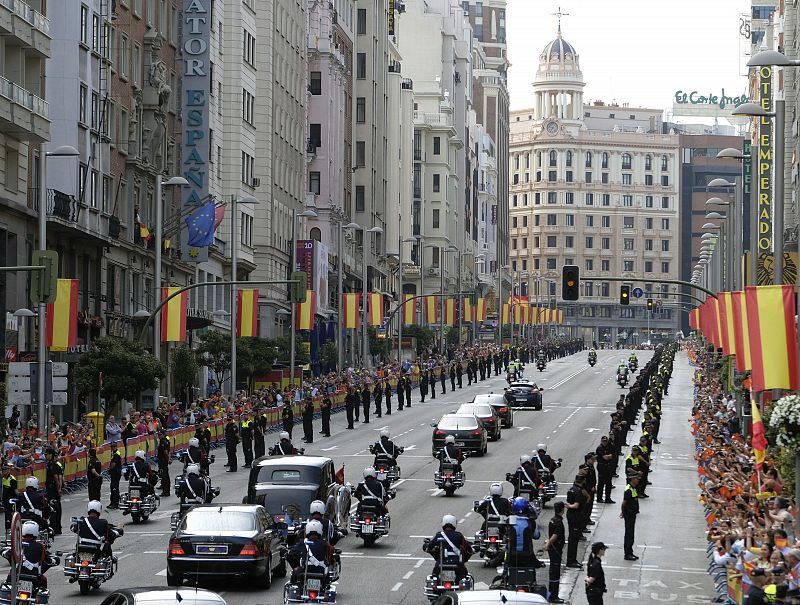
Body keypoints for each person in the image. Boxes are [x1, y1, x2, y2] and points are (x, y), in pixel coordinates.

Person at [6, 521, 58, 589]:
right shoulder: (40, 546)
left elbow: (8, 554)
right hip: (33, 577)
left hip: (15, 575)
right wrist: (54, 560)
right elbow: (45, 559)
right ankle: (38, 598)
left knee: (6, 585)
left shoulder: (17, 544)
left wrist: (4, 552)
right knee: (43, 583)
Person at [424, 515, 473, 583]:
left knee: (434, 577)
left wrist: (426, 546)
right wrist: (473, 549)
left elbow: (429, 547)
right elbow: (468, 549)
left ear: (443, 523)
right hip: (458, 566)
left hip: (441, 565)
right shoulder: (459, 536)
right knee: (466, 577)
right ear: (454, 524)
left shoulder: (439, 535)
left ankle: (435, 587)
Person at [287, 519, 334, 586]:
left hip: (306, 570)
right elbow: (330, 557)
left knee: (294, 575)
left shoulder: (303, 542)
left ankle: (295, 592)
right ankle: (325, 591)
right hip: (321, 570)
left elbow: (292, 553)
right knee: (327, 583)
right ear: (320, 531)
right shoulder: (325, 544)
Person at [543, 501, 566, 603]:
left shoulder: (552, 520)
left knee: (553, 571)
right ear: (562, 510)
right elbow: (555, 536)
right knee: (555, 572)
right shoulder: (558, 522)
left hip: (553, 549)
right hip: (556, 549)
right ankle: (553, 596)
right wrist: (548, 544)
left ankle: (552, 594)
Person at [564, 475, 585, 569]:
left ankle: (572, 559)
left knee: (572, 538)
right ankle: (571, 560)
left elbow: (568, 502)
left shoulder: (571, 489)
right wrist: (570, 506)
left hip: (571, 515)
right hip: (576, 516)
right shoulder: (578, 492)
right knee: (574, 539)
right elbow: (576, 505)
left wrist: (568, 506)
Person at [620, 473, 640, 561]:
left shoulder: (633, 488)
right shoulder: (628, 489)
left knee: (631, 534)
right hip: (629, 514)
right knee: (629, 534)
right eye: (636, 478)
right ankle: (627, 554)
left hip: (632, 513)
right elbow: (624, 502)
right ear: (632, 479)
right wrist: (623, 512)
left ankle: (630, 552)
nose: (638, 480)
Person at [44, 449, 63, 535]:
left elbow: (57, 477)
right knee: (57, 507)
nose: (45, 456)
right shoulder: (54, 464)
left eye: (46, 454)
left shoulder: (52, 464)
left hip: (52, 489)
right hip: (52, 488)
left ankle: (54, 528)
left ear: (50, 455)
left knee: (53, 508)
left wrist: (58, 488)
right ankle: (57, 528)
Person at [595, 436, 615, 504]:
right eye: (603, 441)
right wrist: (609, 456)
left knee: (608, 484)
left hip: (608, 467)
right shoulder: (599, 448)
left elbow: (613, 454)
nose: (605, 442)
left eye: (606, 441)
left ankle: (608, 498)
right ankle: (599, 498)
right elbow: (606, 457)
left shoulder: (608, 447)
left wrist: (609, 456)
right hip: (602, 467)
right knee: (601, 483)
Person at [2, 465, 17, 532]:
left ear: (9, 470)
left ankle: (11, 529)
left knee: (9, 515)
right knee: (6, 515)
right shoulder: (3, 479)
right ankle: (7, 529)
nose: (3, 472)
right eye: (3, 470)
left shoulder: (12, 479)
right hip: (5, 500)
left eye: (5, 470)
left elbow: (16, 491)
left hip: (11, 501)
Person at [108, 442, 122, 509]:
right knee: (113, 487)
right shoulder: (113, 453)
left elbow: (114, 464)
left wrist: (110, 469)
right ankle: (112, 501)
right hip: (114, 473)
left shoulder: (116, 454)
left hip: (116, 473)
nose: (112, 448)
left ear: (116, 447)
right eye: (112, 447)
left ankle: (115, 503)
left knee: (114, 487)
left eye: (114, 447)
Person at [156, 430, 171, 496]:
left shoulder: (163, 442)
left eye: (160, 434)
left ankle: (166, 491)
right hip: (162, 460)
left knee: (164, 476)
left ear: (163, 434)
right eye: (158, 435)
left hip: (163, 461)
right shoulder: (165, 440)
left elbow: (165, 452)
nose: (159, 436)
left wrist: (168, 459)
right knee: (165, 475)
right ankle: (166, 489)